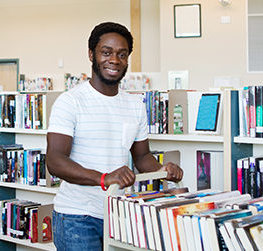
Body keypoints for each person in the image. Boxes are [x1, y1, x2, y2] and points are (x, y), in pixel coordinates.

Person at [46, 21, 183, 251]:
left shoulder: (135, 105)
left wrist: (163, 170)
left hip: (120, 214)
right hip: (77, 218)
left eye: (122, 54)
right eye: (106, 52)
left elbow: (141, 157)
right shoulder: (70, 102)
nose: (114, 60)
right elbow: (55, 161)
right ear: (91, 55)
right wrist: (104, 178)